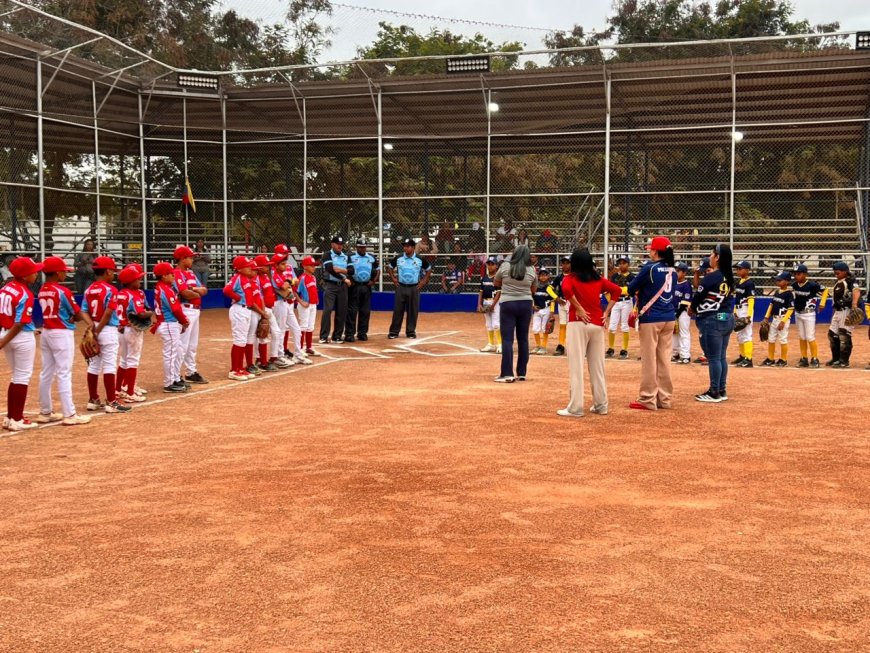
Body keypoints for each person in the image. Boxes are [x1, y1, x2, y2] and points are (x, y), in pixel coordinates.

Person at [557, 248, 621, 417]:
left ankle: (575, 408)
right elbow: (617, 290)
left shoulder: (571, 278)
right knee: (597, 366)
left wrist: (577, 307)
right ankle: (601, 405)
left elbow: (566, 290)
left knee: (576, 366)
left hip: (578, 324)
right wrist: (606, 312)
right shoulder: (598, 279)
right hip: (597, 324)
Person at [35, 256, 93, 425]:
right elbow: (76, 313)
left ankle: (45, 412)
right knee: (63, 373)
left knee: (46, 372)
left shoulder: (42, 289)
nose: (64, 275)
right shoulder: (62, 291)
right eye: (63, 272)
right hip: (61, 333)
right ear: (57, 272)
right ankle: (70, 414)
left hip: (47, 332)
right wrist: (88, 324)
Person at [627, 237, 677, 410]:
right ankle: (665, 398)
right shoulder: (673, 270)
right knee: (664, 359)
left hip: (651, 317)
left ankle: (648, 398)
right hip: (669, 316)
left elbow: (631, 288)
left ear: (655, 251)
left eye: (650, 249)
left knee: (649, 359)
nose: (649, 251)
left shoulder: (649, 268)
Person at [83, 256, 131, 414]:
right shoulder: (111, 290)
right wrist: (97, 331)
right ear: (107, 271)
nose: (114, 274)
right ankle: (111, 401)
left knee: (94, 365)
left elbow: (84, 310)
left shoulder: (89, 289)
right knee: (109, 365)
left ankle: (93, 399)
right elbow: (109, 312)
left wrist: (91, 328)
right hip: (107, 329)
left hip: (95, 326)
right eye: (113, 271)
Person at [0, 257, 43, 431]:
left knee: (16, 376)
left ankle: (11, 416)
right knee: (22, 377)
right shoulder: (25, 293)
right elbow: (19, 323)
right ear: (25, 276)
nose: (37, 273)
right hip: (18, 336)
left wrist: (4, 338)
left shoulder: (5, 288)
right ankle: (16, 418)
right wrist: (4, 341)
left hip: (5, 332)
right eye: (33, 271)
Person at [689, 244, 736, 403]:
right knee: (721, 357)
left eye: (712, 254)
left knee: (714, 357)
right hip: (726, 318)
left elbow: (697, 298)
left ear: (717, 258)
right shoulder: (729, 277)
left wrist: (692, 308)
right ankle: (721, 389)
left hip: (712, 319)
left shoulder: (711, 277)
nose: (709, 257)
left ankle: (714, 391)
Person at [493, 245, 537, 383]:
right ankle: (522, 372)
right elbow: (534, 289)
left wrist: (508, 286)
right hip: (525, 304)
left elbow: (496, 281)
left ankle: (507, 374)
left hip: (508, 304)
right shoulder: (531, 269)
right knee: (523, 339)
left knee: (507, 339)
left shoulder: (505, 266)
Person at [223, 256, 267, 380]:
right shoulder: (237, 278)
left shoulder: (246, 279)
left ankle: (240, 368)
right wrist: (237, 298)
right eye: (246, 266)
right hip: (239, 309)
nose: (249, 268)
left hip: (246, 310)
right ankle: (234, 370)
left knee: (243, 340)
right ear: (239, 268)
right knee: (239, 340)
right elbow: (226, 290)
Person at [115, 265, 151, 403]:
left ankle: (118, 389)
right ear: (130, 282)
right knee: (133, 360)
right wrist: (150, 314)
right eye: (137, 279)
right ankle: (130, 392)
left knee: (123, 360)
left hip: (120, 329)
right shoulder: (134, 294)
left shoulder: (119, 293)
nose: (140, 281)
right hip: (132, 330)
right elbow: (141, 313)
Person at [153, 262, 190, 392]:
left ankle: (175, 378)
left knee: (179, 351)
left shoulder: (165, 287)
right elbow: (175, 309)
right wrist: (184, 321)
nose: (173, 275)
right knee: (170, 354)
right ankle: (169, 383)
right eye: (170, 274)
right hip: (168, 324)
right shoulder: (165, 289)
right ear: (163, 276)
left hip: (171, 324)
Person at [173, 245, 208, 384]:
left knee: (192, 344)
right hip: (185, 309)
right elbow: (184, 293)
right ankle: (175, 375)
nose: (192, 259)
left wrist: (192, 289)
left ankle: (190, 371)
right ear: (182, 259)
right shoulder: (176, 273)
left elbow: (204, 290)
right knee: (182, 344)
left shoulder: (191, 273)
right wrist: (194, 291)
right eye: (190, 257)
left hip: (195, 310)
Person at [388, 238, 432, 339]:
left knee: (413, 310)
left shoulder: (420, 259)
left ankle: (410, 331)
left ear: (413, 247)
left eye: (408, 246)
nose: (405, 248)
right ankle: (394, 332)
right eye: (404, 246)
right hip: (401, 287)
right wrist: (394, 279)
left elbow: (428, 269)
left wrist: (423, 281)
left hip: (414, 288)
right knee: (398, 310)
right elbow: (390, 267)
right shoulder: (399, 258)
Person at [827, 261, 861, 368]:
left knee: (844, 335)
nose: (836, 274)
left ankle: (844, 361)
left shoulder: (850, 281)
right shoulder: (839, 282)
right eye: (835, 272)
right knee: (832, 334)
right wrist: (834, 313)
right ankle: (836, 358)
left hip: (846, 310)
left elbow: (856, 291)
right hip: (838, 311)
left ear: (845, 272)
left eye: (838, 272)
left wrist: (854, 305)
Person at [792, 264, 827, 368]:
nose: (796, 276)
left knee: (810, 336)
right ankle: (804, 358)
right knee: (802, 336)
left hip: (809, 313)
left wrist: (822, 303)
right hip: (798, 313)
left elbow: (825, 290)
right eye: (795, 274)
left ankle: (815, 358)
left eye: (798, 274)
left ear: (805, 274)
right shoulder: (794, 285)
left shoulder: (812, 285)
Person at [319, 235, 352, 344]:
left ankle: (337, 336)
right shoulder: (327, 255)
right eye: (338, 244)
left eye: (341, 244)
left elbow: (352, 271)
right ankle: (324, 336)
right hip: (330, 285)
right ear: (332, 244)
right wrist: (343, 277)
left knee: (341, 311)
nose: (340, 246)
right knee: (327, 310)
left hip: (342, 287)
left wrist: (341, 270)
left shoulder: (346, 256)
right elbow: (330, 270)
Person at [269, 254, 299, 368]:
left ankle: (279, 355)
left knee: (281, 330)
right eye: (282, 264)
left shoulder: (280, 274)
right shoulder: (275, 274)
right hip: (278, 303)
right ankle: (278, 356)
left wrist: (288, 282)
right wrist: (289, 281)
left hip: (283, 302)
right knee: (280, 330)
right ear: (275, 265)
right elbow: (283, 287)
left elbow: (288, 284)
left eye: (285, 263)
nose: (285, 265)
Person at [345, 239, 379, 342]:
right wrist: (350, 280)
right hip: (354, 286)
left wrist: (374, 281)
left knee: (365, 310)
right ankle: (350, 334)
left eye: (364, 247)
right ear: (356, 247)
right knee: (352, 310)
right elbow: (346, 269)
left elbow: (378, 270)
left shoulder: (371, 257)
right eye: (360, 247)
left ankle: (362, 333)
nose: (362, 249)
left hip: (366, 286)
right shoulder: (350, 257)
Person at [254, 254, 282, 372]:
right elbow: (259, 296)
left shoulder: (266, 276)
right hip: (263, 309)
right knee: (262, 334)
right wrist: (263, 311)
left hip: (270, 308)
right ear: (259, 267)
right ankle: (261, 360)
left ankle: (272, 358)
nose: (268, 267)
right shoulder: (257, 278)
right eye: (266, 266)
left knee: (276, 332)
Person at [761, 271, 794, 368]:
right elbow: (771, 305)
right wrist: (766, 317)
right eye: (777, 280)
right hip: (774, 319)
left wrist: (783, 321)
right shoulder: (777, 292)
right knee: (771, 339)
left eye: (780, 280)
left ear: (787, 282)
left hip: (783, 319)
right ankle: (770, 358)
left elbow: (791, 309)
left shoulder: (789, 294)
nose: (777, 282)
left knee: (783, 339)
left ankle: (783, 359)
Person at [606, 256, 635, 360]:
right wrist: (622, 289)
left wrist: (619, 289)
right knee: (612, 326)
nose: (622, 265)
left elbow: (632, 290)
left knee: (624, 326)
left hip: (626, 302)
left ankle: (624, 349)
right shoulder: (614, 276)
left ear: (628, 264)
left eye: (624, 263)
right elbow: (611, 290)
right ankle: (611, 348)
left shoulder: (632, 277)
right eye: (620, 263)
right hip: (615, 302)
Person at [732, 260, 756, 368]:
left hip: (746, 309)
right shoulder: (738, 282)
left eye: (740, 269)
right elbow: (736, 299)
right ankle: (742, 356)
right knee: (740, 335)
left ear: (747, 270)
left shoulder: (749, 283)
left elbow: (751, 300)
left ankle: (748, 359)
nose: (738, 271)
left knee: (747, 334)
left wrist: (749, 315)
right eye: (737, 269)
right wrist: (735, 312)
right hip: (739, 309)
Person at [477, 257, 502, 353]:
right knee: (488, 324)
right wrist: (479, 304)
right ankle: (491, 344)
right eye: (488, 264)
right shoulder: (484, 277)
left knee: (496, 324)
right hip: (486, 302)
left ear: (496, 266)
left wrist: (493, 305)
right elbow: (480, 292)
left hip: (495, 302)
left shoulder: (497, 278)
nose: (490, 266)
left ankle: (500, 344)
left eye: (492, 264)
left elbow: (499, 293)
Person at [296, 256, 320, 355]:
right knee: (303, 326)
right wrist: (301, 302)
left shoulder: (313, 277)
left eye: (314, 265)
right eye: (311, 265)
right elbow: (294, 291)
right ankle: (300, 348)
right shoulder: (302, 278)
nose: (314, 267)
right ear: (304, 266)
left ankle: (309, 347)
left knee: (310, 326)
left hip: (313, 304)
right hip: (304, 305)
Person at [671, 261, 692, 364]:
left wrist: (676, 315)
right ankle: (675, 353)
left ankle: (685, 356)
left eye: (678, 270)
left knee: (683, 333)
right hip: (673, 311)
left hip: (683, 312)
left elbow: (684, 303)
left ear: (684, 273)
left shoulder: (686, 285)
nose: (676, 272)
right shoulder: (672, 283)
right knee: (674, 333)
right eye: (675, 270)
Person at [531, 268, 555, 355]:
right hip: (537, 311)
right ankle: (538, 346)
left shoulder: (550, 287)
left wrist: (552, 313)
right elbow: (532, 298)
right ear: (538, 276)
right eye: (541, 275)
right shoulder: (535, 287)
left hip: (546, 309)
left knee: (545, 329)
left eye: (545, 275)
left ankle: (543, 347)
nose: (543, 277)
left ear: (548, 276)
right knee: (535, 329)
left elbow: (553, 300)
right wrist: (533, 306)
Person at [551, 256, 571, 356]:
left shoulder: (575, 276)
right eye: (563, 263)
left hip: (572, 302)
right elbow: (549, 289)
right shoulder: (559, 277)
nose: (565, 265)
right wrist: (556, 298)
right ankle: (561, 345)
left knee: (572, 325)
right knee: (562, 324)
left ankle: (572, 345)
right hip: (562, 301)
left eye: (567, 263)